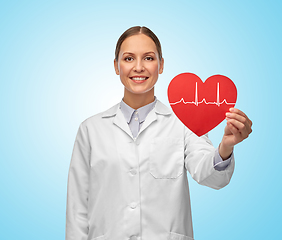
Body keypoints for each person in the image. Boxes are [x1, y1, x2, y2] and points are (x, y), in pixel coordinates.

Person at [66, 26, 252, 240]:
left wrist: (226, 147)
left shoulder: (183, 122)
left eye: (148, 58)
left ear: (161, 65)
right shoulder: (91, 129)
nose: (138, 67)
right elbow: (77, 207)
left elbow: (210, 176)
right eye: (128, 59)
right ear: (116, 66)